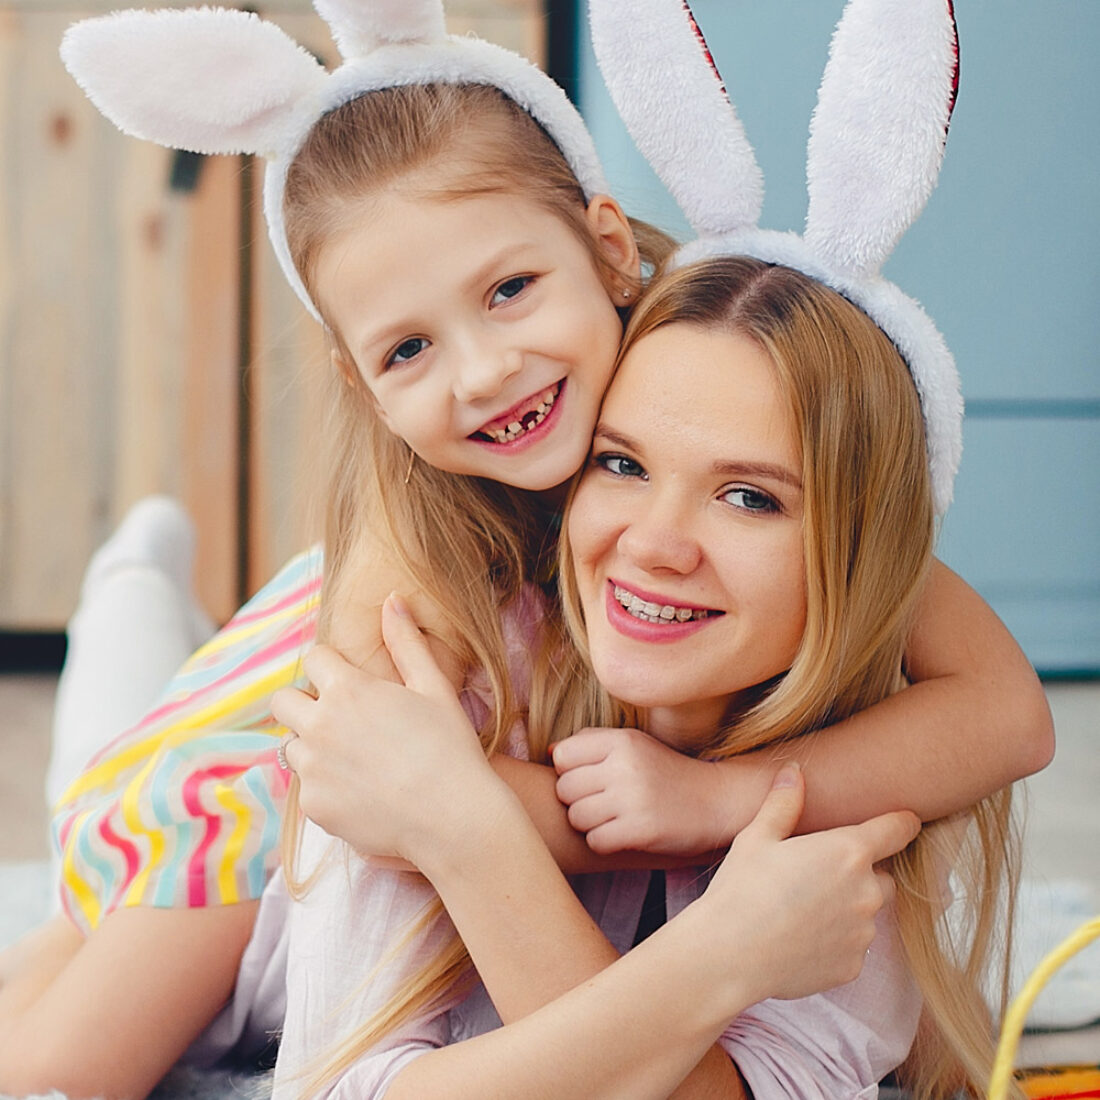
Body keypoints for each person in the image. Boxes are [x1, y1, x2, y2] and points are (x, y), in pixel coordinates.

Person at [0, 0, 1048, 1096]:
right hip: (280, 751)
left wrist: (717, 800)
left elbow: (998, 709)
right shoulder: (407, 601)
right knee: (63, 1052)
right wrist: (647, 842)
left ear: (608, 247)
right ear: (360, 381)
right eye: (409, 348)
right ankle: (128, 602)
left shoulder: (709, 359)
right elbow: (391, 789)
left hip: (464, 738)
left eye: (509, 290)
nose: (485, 372)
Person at [273, 255, 1016, 1099]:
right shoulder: (445, 685)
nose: (655, 545)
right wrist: (719, 959)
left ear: (860, 559)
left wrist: (466, 830)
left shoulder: (868, 804)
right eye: (622, 465)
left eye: (750, 498)